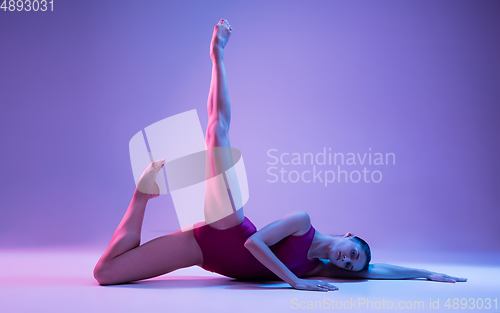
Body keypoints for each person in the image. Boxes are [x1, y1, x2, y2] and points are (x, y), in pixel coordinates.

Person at [93, 19, 467, 292]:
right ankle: (217, 54)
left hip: (202, 252)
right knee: (216, 133)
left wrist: (427, 274)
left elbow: (379, 271)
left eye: (351, 265)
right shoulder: (303, 223)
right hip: (226, 226)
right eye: (352, 253)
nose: (347, 261)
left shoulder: (325, 268)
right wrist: (295, 285)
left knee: (105, 273)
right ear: (347, 236)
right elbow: (252, 244)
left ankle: (142, 195)